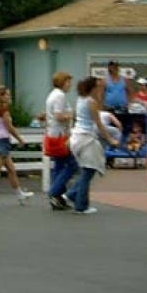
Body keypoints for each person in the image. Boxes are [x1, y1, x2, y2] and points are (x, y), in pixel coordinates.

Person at [67, 76, 121, 214]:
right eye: (99, 87)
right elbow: (99, 123)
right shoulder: (91, 102)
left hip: (77, 137)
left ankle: (73, 194)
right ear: (93, 88)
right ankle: (81, 205)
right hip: (86, 137)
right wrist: (110, 139)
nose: (101, 90)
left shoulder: (80, 99)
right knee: (89, 171)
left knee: (86, 170)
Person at [0, 86, 36, 207]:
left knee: (11, 170)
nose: (9, 97)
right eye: (7, 95)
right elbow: (9, 128)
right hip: (2, 141)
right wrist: (20, 139)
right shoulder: (4, 111)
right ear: (2, 97)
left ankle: (19, 194)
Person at [45, 71, 79, 211]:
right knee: (72, 165)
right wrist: (71, 115)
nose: (70, 85)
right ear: (63, 82)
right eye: (68, 82)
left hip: (52, 133)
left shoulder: (52, 94)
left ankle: (57, 197)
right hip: (60, 135)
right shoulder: (60, 96)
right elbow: (58, 116)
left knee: (59, 165)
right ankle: (54, 192)